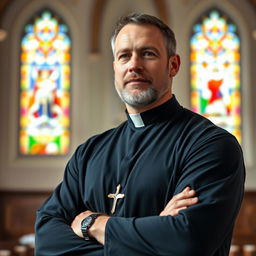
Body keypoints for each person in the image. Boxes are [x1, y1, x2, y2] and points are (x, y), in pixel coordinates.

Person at [35, 13, 245, 256]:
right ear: (115, 68)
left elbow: (187, 243)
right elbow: (46, 240)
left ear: (173, 65)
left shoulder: (211, 146)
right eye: (124, 56)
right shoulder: (89, 153)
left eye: (148, 54)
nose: (134, 64)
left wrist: (92, 223)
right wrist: (155, 234)